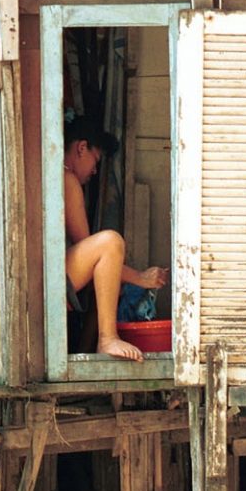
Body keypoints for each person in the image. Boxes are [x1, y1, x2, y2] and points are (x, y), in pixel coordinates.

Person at [63, 116, 168, 362]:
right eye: (95, 160)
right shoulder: (66, 179)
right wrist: (141, 278)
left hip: (49, 277)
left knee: (110, 284)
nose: (95, 170)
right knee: (111, 242)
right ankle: (107, 338)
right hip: (47, 278)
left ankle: (91, 347)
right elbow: (97, 255)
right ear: (81, 148)